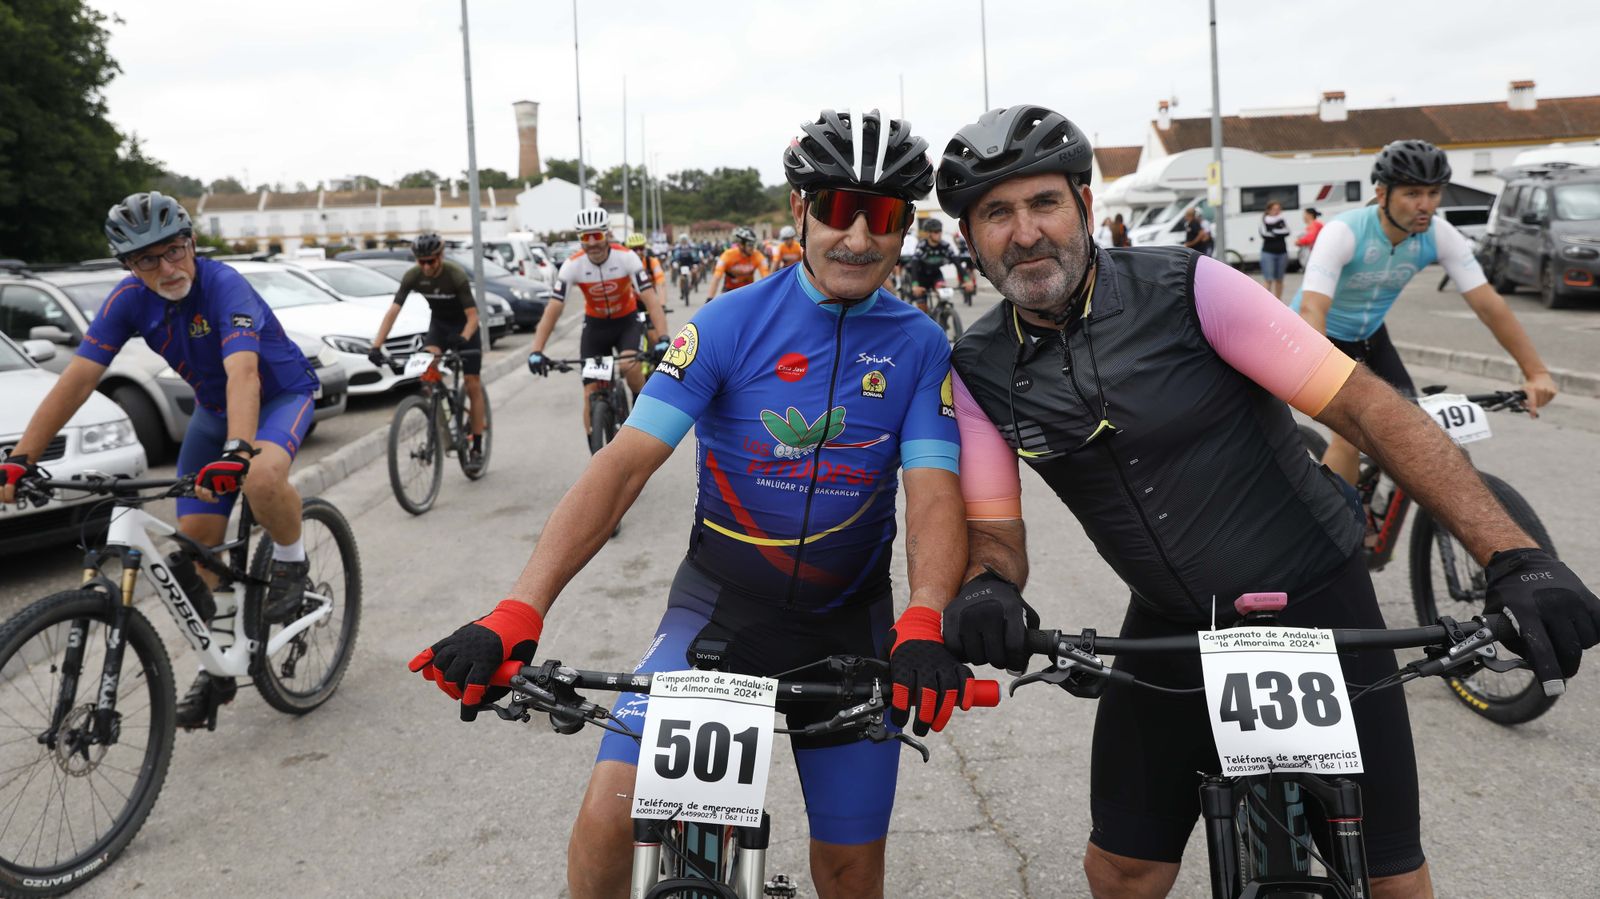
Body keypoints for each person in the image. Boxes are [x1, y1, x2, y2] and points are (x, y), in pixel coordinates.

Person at [928, 104, 1600, 899]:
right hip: (1175, 623)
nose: (1026, 232)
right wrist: (988, 586)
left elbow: (1367, 409)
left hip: (1319, 596)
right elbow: (996, 528)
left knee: (1394, 881)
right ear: (968, 238)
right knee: (1121, 871)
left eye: (1043, 202)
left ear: (1085, 204)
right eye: (996, 214)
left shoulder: (1189, 286)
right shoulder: (977, 366)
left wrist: (1512, 552)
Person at [410, 108, 974, 899]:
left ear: (903, 227)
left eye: (881, 216)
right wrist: (519, 608)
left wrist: (924, 616)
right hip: (719, 616)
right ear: (800, 210)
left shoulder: (919, 345)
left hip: (852, 629)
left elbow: (933, 495)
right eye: (839, 209)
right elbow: (623, 467)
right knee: (607, 828)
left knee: (851, 875)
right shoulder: (726, 325)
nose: (858, 236)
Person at [0, 191, 323, 730]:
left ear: (191, 242)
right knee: (195, 545)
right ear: (128, 265)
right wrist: (20, 457)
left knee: (262, 475)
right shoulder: (127, 300)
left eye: (173, 250)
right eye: (146, 259)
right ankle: (218, 667)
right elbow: (77, 380)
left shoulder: (225, 286)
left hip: (278, 396)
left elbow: (244, 372)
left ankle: (291, 560)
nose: (166, 267)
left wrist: (238, 452)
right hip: (214, 411)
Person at [1291, 140, 1558, 485]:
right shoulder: (1345, 232)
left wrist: (1536, 373)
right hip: (1318, 335)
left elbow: (1489, 305)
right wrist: (1324, 378)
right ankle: (1338, 532)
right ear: (1382, 193)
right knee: (1350, 429)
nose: (1426, 205)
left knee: (1415, 425)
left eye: (1433, 193)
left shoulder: (1438, 234)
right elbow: (1313, 307)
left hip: (1370, 335)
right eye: (1413, 193)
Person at [524, 208, 669, 442]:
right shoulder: (573, 265)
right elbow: (554, 308)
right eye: (585, 237)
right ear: (579, 238)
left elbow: (650, 298)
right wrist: (536, 350)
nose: (592, 243)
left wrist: (663, 337)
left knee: (631, 368)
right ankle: (595, 445)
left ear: (607, 234)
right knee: (590, 391)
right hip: (595, 327)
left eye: (597, 236)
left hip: (626, 322)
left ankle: (642, 422)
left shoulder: (626, 257)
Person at [369, 233, 487, 467]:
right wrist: (376, 345)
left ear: (440, 257)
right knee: (427, 362)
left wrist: (463, 338)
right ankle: (437, 403)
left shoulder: (454, 275)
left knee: (472, 382)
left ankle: (476, 447)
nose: (425, 266)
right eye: (420, 261)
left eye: (430, 261)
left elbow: (473, 316)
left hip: (465, 329)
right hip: (440, 327)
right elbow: (393, 311)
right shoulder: (413, 276)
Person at [904, 217, 961, 313]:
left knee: (944, 295)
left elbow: (957, 263)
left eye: (940, 231)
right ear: (929, 233)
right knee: (923, 308)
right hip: (920, 278)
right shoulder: (922, 246)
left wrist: (967, 280)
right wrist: (915, 285)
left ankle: (942, 315)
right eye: (935, 232)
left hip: (936, 275)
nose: (939, 234)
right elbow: (914, 264)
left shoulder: (945, 246)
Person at [626, 232, 668, 345]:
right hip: (631, 304)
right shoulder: (624, 264)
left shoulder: (652, 262)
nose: (638, 252)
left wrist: (662, 304)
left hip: (650, 303)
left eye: (641, 248)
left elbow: (660, 284)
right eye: (634, 249)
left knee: (655, 338)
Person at [706, 226, 769, 299]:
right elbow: (716, 278)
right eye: (750, 244)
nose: (753, 248)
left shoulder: (758, 255)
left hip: (748, 291)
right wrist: (709, 298)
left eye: (753, 244)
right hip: (729, 291)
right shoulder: (728, 255)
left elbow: (766, 277)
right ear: (741, 244)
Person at [1258, 200, 1291, 299]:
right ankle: (1267, 302)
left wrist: (1273, 231)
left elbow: (1287, 231)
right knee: (1268, 279)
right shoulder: (1264, 220)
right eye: (1274, 209)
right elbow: (1264, 234)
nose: (1276, 211)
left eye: (1278, 209)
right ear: (1268, 210)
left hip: (1282, 252)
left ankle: (1278, 301)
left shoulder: (1282, 220)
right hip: (1268, 253)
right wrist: (1278, 232)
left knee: (1280, 279)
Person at [670, 235, 700, 304]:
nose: (683, 241)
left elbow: (695, 255)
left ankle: (692, 284)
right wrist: (674, 262)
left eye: (685, 240)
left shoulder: (691, 246)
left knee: (694, 273)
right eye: (682, 240)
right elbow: (674, 256)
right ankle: (682, 292)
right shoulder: (677, 247)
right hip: (681, 265)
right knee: (682, 279)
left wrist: (696, 262)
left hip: (690, 264)